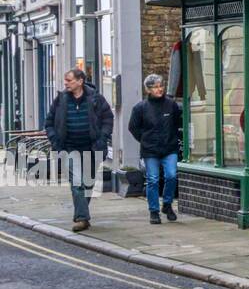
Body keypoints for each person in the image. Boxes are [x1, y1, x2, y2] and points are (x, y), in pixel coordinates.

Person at [44, 68, 115, 232]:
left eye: (69, 80)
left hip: (92, 148)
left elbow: (108, 119)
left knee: (88, 184)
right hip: (69, 149)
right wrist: (55, 140)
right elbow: (49, 123)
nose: (65, 83)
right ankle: (82, 218)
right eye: (65, 80)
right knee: (77, 183)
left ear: (80, 81)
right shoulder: (60, 100)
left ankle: (83, 213)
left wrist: (103, 138)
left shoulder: (96, 98)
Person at [128, 74, 183, 224]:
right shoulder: (140, 108)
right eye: (155, 87)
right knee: (152, 179)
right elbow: (133, 127)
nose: (159, 89)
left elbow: (177, 123)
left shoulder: (171, 105)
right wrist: (145, 140)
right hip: (150, 150)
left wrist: (173, 137)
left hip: (169, 148)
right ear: (148, 89)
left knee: (171, 176)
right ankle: (154, 211)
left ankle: (167, 204)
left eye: (161, 86)